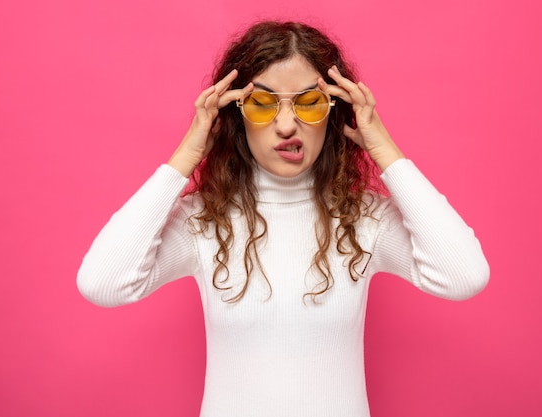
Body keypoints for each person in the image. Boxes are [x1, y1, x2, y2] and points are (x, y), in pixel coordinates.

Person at [77, 20, 489, 417]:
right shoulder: (204, 221)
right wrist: (185, 156)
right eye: (262, 103)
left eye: (309, 103)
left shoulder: (364, 219)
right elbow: (103, 283)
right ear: (235, 113)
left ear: (333, 111)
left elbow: (463, 276)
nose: (287, 125)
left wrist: (384, 148)